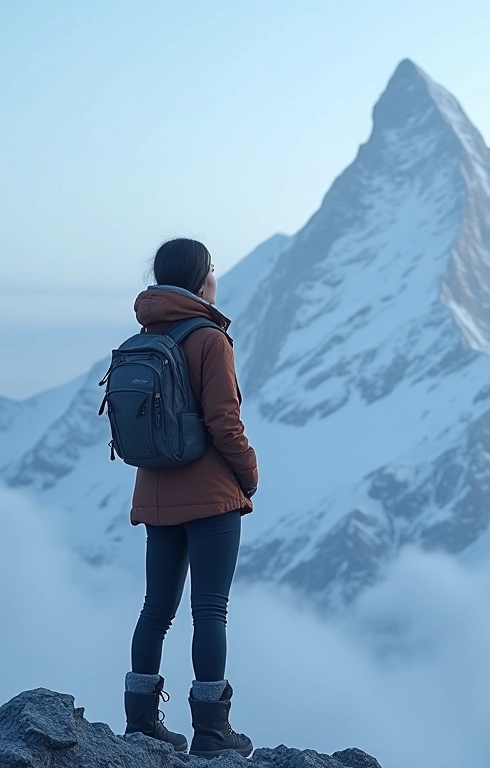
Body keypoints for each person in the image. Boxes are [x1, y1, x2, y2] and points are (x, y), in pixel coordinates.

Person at [122, 238, 258, 759]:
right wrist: (248, 474)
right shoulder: (208, 339)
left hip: (156, 491)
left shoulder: (144, 336)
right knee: (210, 611)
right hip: (210, 498)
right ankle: (211, 731)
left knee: (155, 608)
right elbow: (225, 421)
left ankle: (140, 722)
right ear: (203, 279)